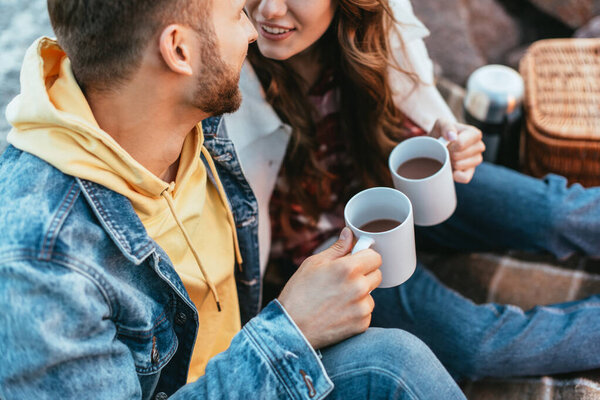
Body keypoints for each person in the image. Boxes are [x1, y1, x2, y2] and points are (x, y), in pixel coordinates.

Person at [0, 0, 469, 399]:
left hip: (243, 355)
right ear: (179, 50)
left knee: (391, 360)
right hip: (240, 369)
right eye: (234, 14)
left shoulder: (180, 111)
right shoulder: (40, 270)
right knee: (413, 355)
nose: (251, 30)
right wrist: (292, 329)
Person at [221, 0, 600, 382]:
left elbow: (417, 105)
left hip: (395, 177)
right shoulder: (221, 70)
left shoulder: (379, 28)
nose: (268, 9)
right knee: (474, 345)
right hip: (330, 248)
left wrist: (447, 137)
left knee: (558, 211)